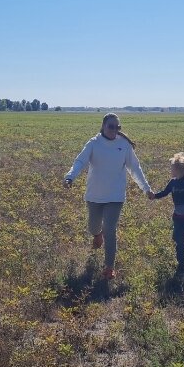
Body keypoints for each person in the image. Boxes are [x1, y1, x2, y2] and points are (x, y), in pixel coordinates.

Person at [64, 113, 152, 280]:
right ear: (103, 126)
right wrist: (70, 177)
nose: (114, 130)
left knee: (110, 229)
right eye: (111, 126)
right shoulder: (94, 143)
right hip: (94, 195)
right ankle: (97, 235)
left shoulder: (124, 145)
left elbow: (135, 168)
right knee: (93, 226)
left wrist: (146, 188)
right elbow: (80, 161)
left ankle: (109, 267)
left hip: (115, 196)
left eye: (117, 127)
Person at [149, 152, 184, 274]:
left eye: (172, 168)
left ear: (179, 170)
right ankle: (181, 264)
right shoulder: (172, 182)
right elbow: (165, 192)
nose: (170, 170)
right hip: (178, 217)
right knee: (179, 239)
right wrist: (154, 196)